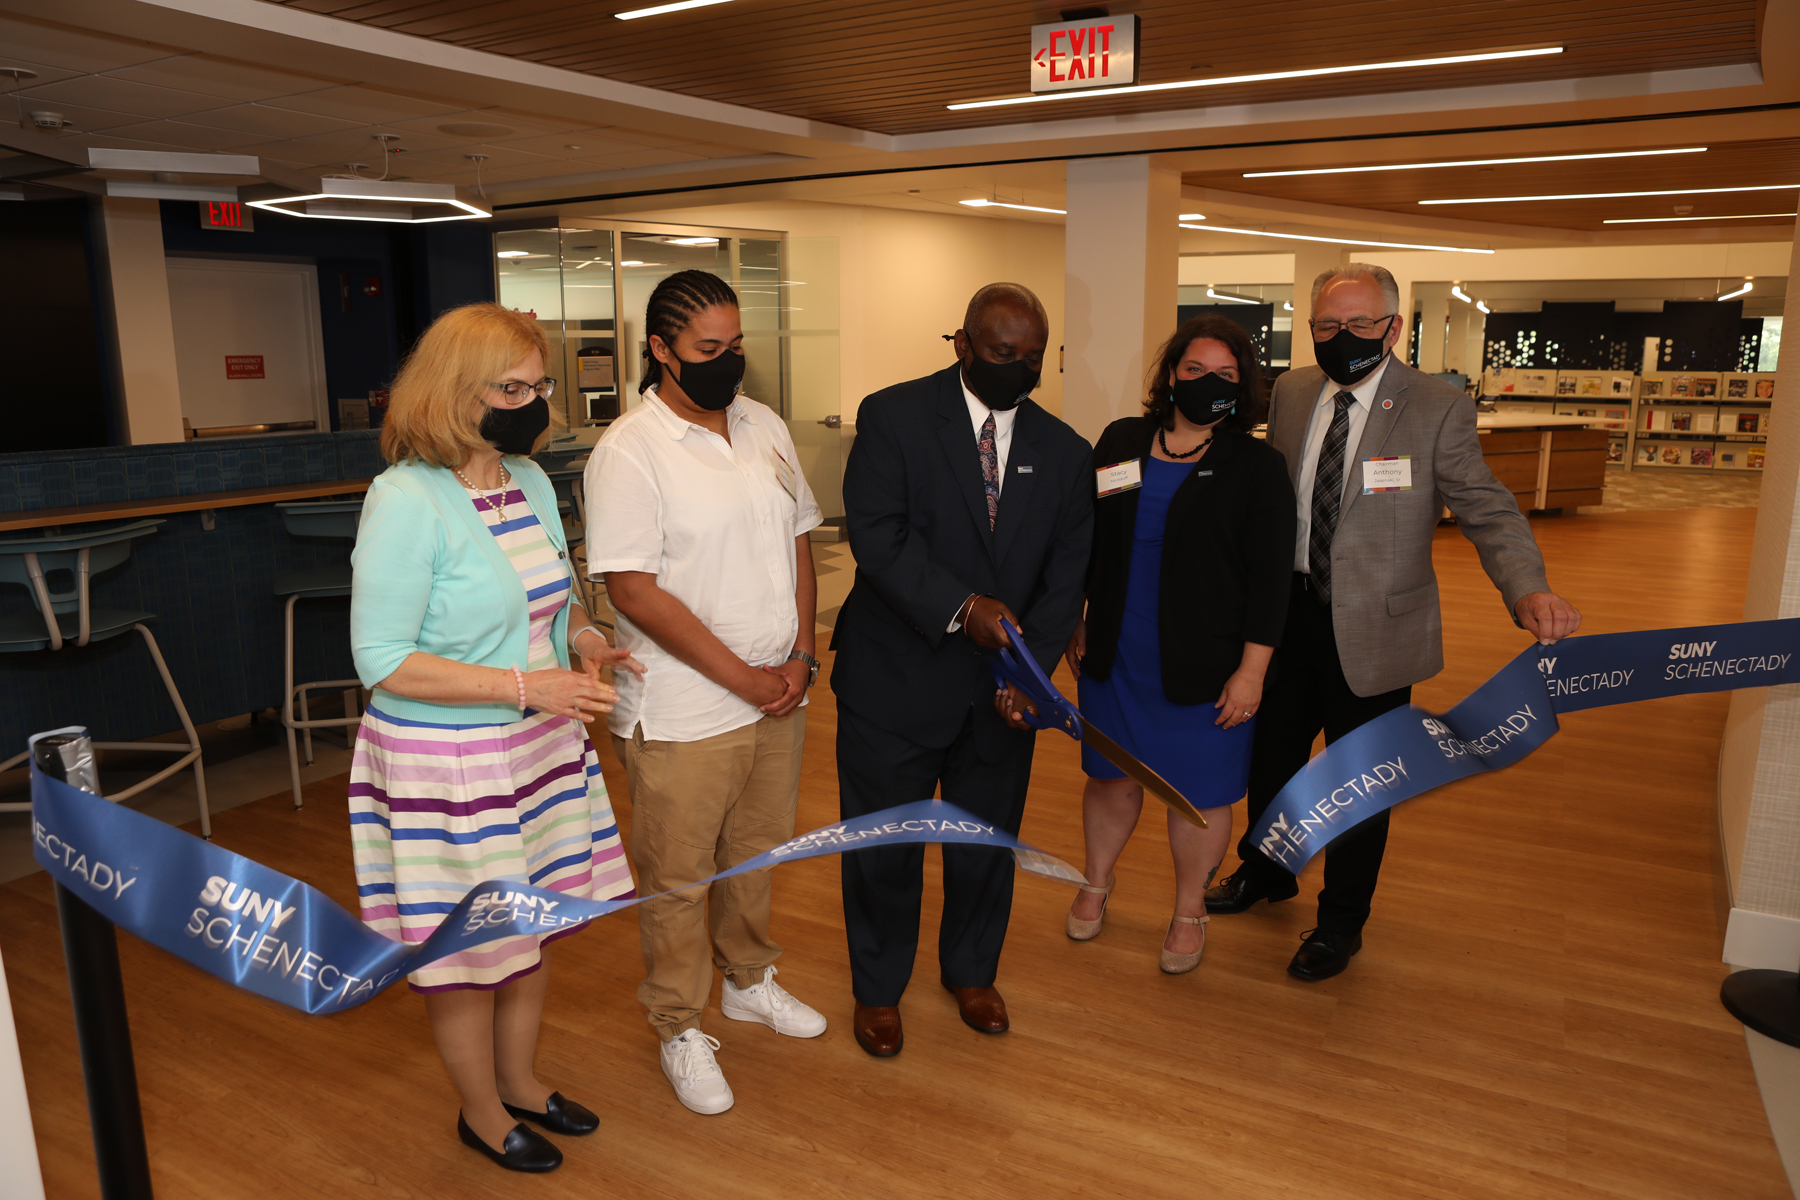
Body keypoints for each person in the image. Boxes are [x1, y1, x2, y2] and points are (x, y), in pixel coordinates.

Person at [1205, 263, 1582, 981]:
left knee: (1362, 782)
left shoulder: (1436, 406)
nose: (1340, 337)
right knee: (1271, 761)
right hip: (1284, 619)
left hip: (1377, 633)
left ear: (1394, 327)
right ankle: (1268, 870)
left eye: (1358, 324)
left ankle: (1340, 922)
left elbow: (1487, 505)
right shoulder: (1290, 391)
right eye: (1325, 325)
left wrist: (1528, 588)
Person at [349, 302, 642, 1173]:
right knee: (469, 950)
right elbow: (381, 658)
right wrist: (526, 685)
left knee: (531, 929)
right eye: (510, 388)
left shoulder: (531, 483)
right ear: (452, 393)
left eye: (538, 385)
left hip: (537, 748)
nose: (533, 403)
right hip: (449, 765)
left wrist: (585, 641)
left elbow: (556, 600)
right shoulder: (404, 498)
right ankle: (480, 1112)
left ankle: (519, 1080)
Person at [584, 269, 826, 1117]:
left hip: (777, 690)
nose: (728, 364)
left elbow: (801, 540)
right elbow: (634, 591)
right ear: (660, 351)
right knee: (680, 877)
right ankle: (679, 1024)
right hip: (687, 706)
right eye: (707, 350)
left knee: (755, 855)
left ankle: (749, 980)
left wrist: (800, 656)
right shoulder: (629, 451)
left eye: (736, 347)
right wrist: (747, 678)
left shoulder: (764, 424)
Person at [831, 282, 1093, 1057]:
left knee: (987, 843)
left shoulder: (1065, 450)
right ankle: (878, 990)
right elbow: (876, 536)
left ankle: (971, 973)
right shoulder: (894, 416)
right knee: (884, 848)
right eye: (1003, 354)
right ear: (963, 345)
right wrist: (962, 606)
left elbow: (1064, 576)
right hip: (895, 683)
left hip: (1000, 698)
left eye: (1034, 358)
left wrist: (1029, 674)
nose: (1019, 369)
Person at [1063, 315, 1295, 973]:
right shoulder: (1121, 441)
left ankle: (1190, 908)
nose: (1208, 384)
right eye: (1195, 371)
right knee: (1110, 779)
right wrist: (1076, 620)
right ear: (1170, 375)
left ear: (1243, 385)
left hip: (1208, 664)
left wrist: (1251, 673)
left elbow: (1270, 582)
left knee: (1197, 795)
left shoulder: (1255, 466)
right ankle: (1096, 883)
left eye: (1226, 375)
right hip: (1116, 650)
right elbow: (1087, 539)